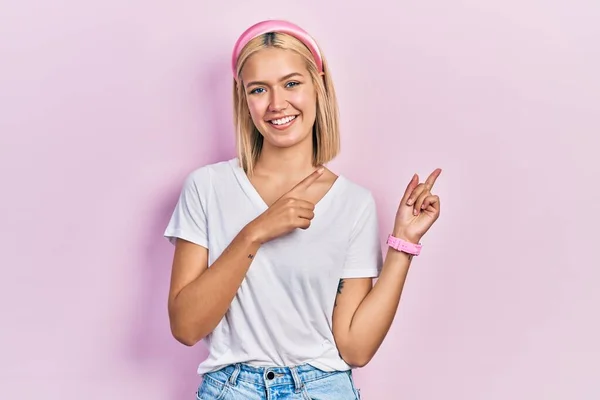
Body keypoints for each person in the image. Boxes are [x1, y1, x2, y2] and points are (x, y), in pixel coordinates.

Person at [164, 19, 442, 400]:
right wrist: (256, 231)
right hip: (231, 390)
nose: (277, 104)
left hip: (323, 389)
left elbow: (355, 348)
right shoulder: (207, 187)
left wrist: (403, 245)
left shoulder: (353, 203)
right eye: (259, 89)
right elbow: (186, 327)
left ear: (318, 86)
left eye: (292, 83)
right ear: (244, 99)